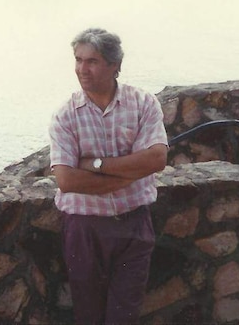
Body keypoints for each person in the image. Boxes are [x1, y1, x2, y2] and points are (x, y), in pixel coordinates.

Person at [49, 28, 169, 324]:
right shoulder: (66, 115)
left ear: (115, 65)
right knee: (88, 313)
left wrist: (96, 165)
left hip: (134, 224)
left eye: (92, 61)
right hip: (84, 228)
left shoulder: (143, 104)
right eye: (78, 60)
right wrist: (129, 175)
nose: (81, 69)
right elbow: (66, 180)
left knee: (125, 314)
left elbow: (156, 158)